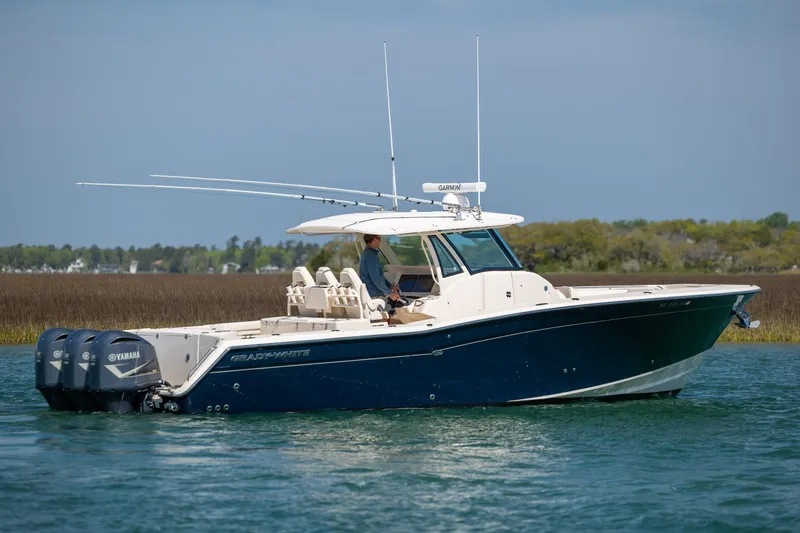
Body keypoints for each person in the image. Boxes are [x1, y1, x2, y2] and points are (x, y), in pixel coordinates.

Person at [359, 234, 403, 310]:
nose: (380, 241)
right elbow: (376, 278)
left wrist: (390, 286)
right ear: (374, 240)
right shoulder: (370, 255)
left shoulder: (367, 254)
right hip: (374, 296)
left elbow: (378, 275)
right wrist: (390, 293)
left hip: (372, 294)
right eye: (379, 238)